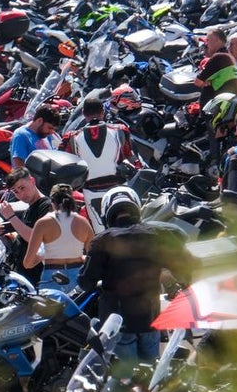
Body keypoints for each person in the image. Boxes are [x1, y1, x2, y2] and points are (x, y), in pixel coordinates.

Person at [79, 188, 193, 365]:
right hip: (151, 320)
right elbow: (184, 269)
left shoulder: (102, 240)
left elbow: (85, 282)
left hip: (118, 324)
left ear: (107, 212)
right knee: (149, 375)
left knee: (125, 380)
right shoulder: (157, 236)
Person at [61, 96, 134, 229]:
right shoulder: (120, 130)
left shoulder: (71, 138)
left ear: (83, 114)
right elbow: (131, 158)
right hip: (119, 189)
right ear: (103, 112)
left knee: (101, 233)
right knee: (129, 228)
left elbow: (65, 164)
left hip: (91, 192)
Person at [23, 183, 93, 291]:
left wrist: (43, 254)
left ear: (52, 202)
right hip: (78, 279)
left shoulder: (43, 223)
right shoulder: (83, 222)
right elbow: (92, 257)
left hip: (52, 278)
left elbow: (28, 263)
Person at [0, 168, 53, 284]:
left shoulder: (47, 206)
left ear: (32, 181)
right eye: (16, 191)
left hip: (37, 279)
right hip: (20, 277)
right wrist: (6, 236)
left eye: (22, 188)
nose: (21, 194)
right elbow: (23, 241)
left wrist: (11, 217)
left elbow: (36, 239)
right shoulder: (29, 209)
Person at [194, 28, 237, 107]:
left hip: (213, 108)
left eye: (208, 40)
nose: (206, 44)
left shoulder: (218, 57)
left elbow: (198, 82)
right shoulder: (229, 55)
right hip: (225, 105)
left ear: (217, 40)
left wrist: (207, 82)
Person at [10, 103, 61, 169]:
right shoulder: (21, 135)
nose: (51, 132)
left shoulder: (46, 135)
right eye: (49, 128)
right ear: (39, 121)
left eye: (53, 129)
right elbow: (19, 166)